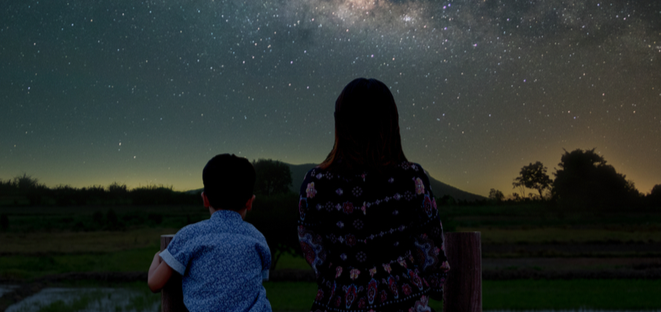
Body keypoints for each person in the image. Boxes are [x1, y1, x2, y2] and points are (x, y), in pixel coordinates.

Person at [297, 78, 449, 312]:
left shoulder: (315, 183)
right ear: (390, 122)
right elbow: (429, 244)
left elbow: (312, 244)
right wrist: (436, 283)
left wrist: (338, 274)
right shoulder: (412, 179)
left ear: (341, 122)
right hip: (405, 302)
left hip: (339, 300)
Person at [148, 153, 273, 312]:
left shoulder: (190, 235)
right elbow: (259, 279)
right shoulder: (258, 239)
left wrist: (158, 256)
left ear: (205, 199)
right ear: (250, 202)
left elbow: (154, 283)